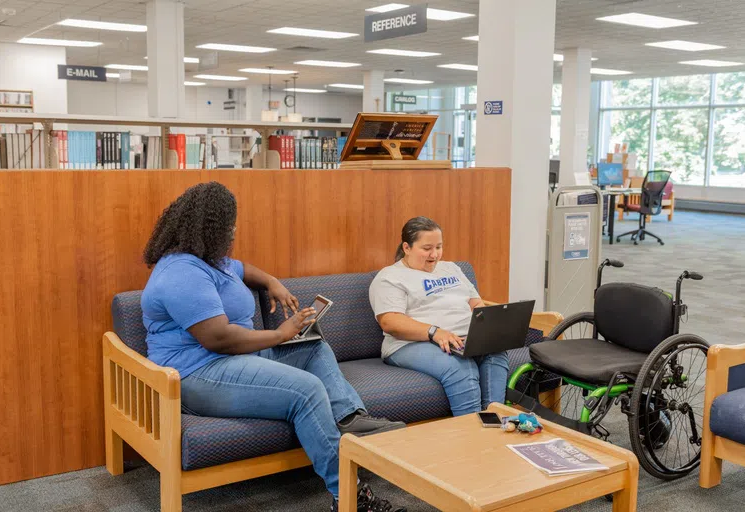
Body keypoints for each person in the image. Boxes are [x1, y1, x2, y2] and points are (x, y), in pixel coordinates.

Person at [141, 182, 405, 512]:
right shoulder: (181, 273)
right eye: (230, 226)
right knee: (307, 390)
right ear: (210, 229)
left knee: (313, 347)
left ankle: (348, 417)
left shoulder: (212, 260)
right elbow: (219, 338)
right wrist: (281, 334)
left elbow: (243, 270)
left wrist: (272, 282)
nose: (234, 232)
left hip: (235, 359)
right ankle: (350, 498)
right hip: (199, 374)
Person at [369, 216, 511, 416]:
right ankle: (470, 432)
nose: (434, 255)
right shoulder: (390, 277)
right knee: (461, 365)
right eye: (427, 248)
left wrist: (491, 328)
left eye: (439, 247)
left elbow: (477, 305)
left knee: (496, 352)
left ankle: (494, 421)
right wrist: (434, 332)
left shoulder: (451, 268)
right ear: (407, 247)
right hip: (411, 343)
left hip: (464, 338)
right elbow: (390, 322)